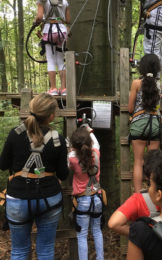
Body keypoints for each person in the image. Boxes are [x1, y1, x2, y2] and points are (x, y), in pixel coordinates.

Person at [0, 93, 69, 259]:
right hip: (49, 198)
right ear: (51, 116)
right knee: (45, 250)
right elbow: (63, 174)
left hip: (18, 198)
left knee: (19, 251)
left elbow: (2, 165)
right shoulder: (57, 139)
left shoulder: (15, 134)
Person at [128, 54, 162, 193]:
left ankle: (137, 195)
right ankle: (153, 191)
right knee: (152, 161)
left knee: (138, 162)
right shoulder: (158, 84)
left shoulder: (136, 83)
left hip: (138, 123)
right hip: (155, 123)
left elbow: (130, 108)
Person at [68, 126, 104, 260]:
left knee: (82, 235)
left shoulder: (72, 158)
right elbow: (95, 142)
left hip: (82, 200)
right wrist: (88, 129)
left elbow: (69, 162)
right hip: (97, 197)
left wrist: (71, 149)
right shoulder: (96, 152)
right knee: (97, 231)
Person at [35, 0, 71, 96]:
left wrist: (36, 22)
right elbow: (68, 20)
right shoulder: (64, 1)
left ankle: (53, 89)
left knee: (51, 60)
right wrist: (59, 18)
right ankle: (63, 89)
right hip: (62, 32)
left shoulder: (42, 1)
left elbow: (39, 17)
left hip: (49, 31)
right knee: (60, 60)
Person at [141, 0, 162, 69]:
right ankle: (155, 78)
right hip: (161, 10)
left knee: (151, 51)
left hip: (158, 10)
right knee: (156, 51)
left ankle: (150, 77)